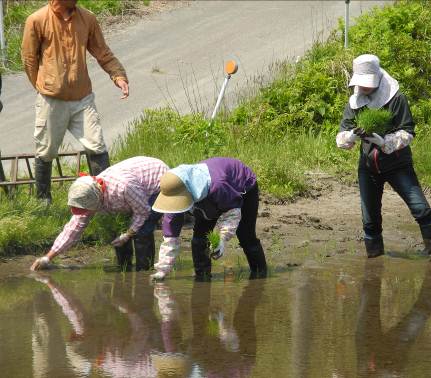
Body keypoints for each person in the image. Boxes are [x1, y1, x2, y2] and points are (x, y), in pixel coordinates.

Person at [336, 54, 431, 262]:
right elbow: (342, 137)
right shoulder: (356, 102)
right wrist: (350, 136)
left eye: (368, 85)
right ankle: (374, 263)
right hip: (368, 168)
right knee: (370, 220)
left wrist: (383, 142)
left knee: (420, 209)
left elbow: (407, 132)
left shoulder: (396, 99)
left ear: (377, 79)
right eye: (361, 84)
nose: (364, 89)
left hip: (397, 165)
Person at [22, 0, 129, 203]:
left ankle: (104, 200)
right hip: (51, 100)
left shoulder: (87, 18)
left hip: (83, 98)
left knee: (97, 146)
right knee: (46, 150)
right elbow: (29, 59)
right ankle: (43, 202)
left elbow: (102, 52)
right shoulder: (36, 20)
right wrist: (44, 86)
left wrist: (119, 76)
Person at [30, 156, 169, 272]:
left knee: (142, 230)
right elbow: (73, 229)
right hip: (135, 193)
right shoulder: (88, 195)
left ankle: (143, 271)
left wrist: (128, 234)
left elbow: (143, 212)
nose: (85, 214)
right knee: (116, 228)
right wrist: (48, 257)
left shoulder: (124, 187)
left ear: (97, 200)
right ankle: (124, 267)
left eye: (87, 210)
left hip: (158, 183)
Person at [150, 157, 267, 281]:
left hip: (242, 186)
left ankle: (260, 276)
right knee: (199, 239)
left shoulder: (218, 185)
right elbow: (170, 238)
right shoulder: (174, 192)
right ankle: (202, 279)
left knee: (245, 236)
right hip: (210, 194)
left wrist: (222, 239)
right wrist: (162, 270)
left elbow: (232, 214)